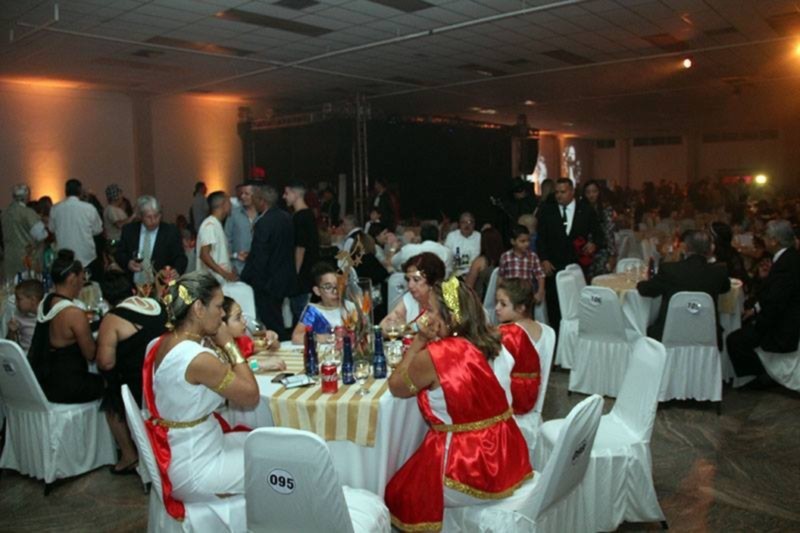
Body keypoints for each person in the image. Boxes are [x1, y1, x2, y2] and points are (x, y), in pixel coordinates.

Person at [385, 277, 532, 530]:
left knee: (398, 493)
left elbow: (396, 386)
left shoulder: (436, 356)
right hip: (509, 455)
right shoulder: (496, 341)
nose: (425, 316)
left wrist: (419, 341)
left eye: (431, 310)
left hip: (467, 467)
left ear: (450, 317)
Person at [142, 272, 259, 522]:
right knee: (275, 466)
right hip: (195, 463)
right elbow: (250, 396)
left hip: (187, 446)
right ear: (198, 308)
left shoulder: (163, 341)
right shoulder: (197, 359)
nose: (222, 314)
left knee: (261, 443)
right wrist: (229, 343)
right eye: (218, 306)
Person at [95, 271, 167, 474]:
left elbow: (106, 363)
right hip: (165, 376)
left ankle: (128, 455)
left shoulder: (113, 319)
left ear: (106, 299)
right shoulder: (157, 305)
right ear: (133, 290)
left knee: (111, 397)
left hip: (139, 386)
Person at [728, 220, 800, 382]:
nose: (764, 240)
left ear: (774, 240)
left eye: (766, 237)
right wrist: (755, 309)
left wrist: (757, 322)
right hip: (783, 316)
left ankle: (762, 377)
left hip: (784, 326)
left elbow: (776, 302)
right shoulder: (789, 256)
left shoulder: (786, 264)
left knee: (734, 340)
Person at [28, 250, 105, 403]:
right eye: (82, 278)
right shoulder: (73, 313)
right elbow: (91, 354)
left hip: (43, 381)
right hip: (67, 386)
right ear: (72, 279)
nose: (83, 283)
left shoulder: (45, 303)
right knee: (114, 383)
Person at [637, 230, 731, 347]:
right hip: (707, 334)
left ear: (686, 248)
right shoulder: (718, 272)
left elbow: (646, 290)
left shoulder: (670, 270)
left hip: (669, 332)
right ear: (710, 250)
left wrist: (640, 283)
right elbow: (725, 288)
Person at [536, 177, 603, 332]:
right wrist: (544, 259)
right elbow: (541, 238)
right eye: (557, 192)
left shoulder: (585, 210)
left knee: (576, 302)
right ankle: (556, 336)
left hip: (577, 265)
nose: (559, 195)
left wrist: (593, 244)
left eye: (563, 192)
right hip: (553, 265)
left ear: (572, 192)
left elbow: (599, 235)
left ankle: (577, 334)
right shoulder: (547, 210)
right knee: (554, 304)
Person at [241, 183, 296, 339]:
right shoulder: (286, 217)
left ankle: (278, 345)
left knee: (272, 322)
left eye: (255, 199)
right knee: (278, 317)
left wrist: (248, 277)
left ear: (262, 201)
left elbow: (261, 255)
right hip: (284, 277)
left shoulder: (263, 223)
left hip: (267, 282)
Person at [494, 278, 542, 415]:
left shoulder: (507, 333)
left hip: (511, 402)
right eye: (497, 302)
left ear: (521, 307)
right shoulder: (545, 330)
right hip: (533, 401)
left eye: (503, 304)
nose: (497, 308)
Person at [115, 196, 188, 285]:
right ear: (141, 216)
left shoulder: (170, 232)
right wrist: (128, 263)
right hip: (133, 285)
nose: (153, 220)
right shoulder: (129, 230)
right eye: (149, 217)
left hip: (161, 285)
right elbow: (119, 253)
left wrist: (177, 270)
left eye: (156, 216)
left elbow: (181, 257)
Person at [48, 179, 104, 280]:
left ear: (65, 191)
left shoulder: (55, 208)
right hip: (86, 256)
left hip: (64, 257)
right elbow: (98, 230)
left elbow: (51, 229)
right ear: (80, 191)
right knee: (89, 286)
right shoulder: (89, 208)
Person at [291, 262, 356, 344]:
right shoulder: (313, 311)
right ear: (317, 291)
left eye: (338, 285)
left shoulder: (350, 307)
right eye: (328, 287)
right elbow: (296, 337)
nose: (335, 291)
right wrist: (327, 337)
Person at [380, 252, 446, 333]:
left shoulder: (444, 302)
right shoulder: (410, 298)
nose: (410, 285)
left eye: (416, 280)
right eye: (408, 280)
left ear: (432, 282)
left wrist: (405, 328)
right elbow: (383, 327)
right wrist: (412, 328)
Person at [284, 181, 320, 324]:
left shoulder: (301, 216)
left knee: (301, 314)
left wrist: (295, 273)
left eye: (287, 193)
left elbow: (300, 247)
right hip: (308, 273)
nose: (284, 196)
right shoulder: (307, 214)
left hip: (303, 275)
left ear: (296, 194)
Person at [221, 296, 284, 369]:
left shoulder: (242, 341)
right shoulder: (218, 351)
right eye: (238, 318)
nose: (244, 321)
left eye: (242, 315)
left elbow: (274, 347)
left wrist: (271, 340)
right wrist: (259, 364)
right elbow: (232, 369)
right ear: (221, 324)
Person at [2, 184, 48, 280]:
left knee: (11, 284)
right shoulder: (28, 213)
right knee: (26, 284)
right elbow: (41, 235)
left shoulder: (4, 213)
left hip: (9, 258)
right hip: (26, 259)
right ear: (27, 196)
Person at [196, 191, 238, 284]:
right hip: (212, 283)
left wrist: (235, 256)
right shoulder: (210, 225)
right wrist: (225, 274)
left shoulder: (216, 224)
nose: (231, 205)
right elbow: (204, 255)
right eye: (229, 202)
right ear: (223, 204)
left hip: (219, 282)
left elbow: (217, 253)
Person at [498, 224, 545, 305]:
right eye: (522, 241)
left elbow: (540, 276)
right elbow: (501, 277)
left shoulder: (532, 256)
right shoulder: (505, 257)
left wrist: (540, 292)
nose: (526, 244)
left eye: (528, 241)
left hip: (528, 296)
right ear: (513, 241)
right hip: (510, 295)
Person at [582, 180, 617, 278]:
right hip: (584, 252)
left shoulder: (606, 210)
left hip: (602, 251)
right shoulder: (581, 209)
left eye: (594, 191)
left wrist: (612, 254)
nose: (591, 195)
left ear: (599, 192)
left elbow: (609, 233)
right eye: (588, 192)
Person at [224, 182, 257, 275]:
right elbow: (226, 239)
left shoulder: (262, 215)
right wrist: (230, 263)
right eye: (241, 193)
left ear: (255, 195)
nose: (242, 196)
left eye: (246, 194)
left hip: (259, 268)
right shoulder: (234, 214)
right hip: (239, 267)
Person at [464, 226, 504, 301]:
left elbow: (468, 287)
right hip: (499, 301)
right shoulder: (504, 260)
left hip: (481, 302)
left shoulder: (479, 262)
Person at [4, 278, 44, 353]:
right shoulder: (17, 316)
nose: (15, 303)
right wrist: (11, 332)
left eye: (19, 299)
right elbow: (9, 346)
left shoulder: (47, 314)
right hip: (25, 354)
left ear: (33, 300)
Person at [444, 212, 481, 277]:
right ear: (459, 224)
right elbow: (446, 257)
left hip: (474, 275)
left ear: (474, 224)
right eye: (463, 222)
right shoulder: (452, 236)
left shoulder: (479, 237)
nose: (466, 225)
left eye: (469, 222)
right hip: (455, 274)